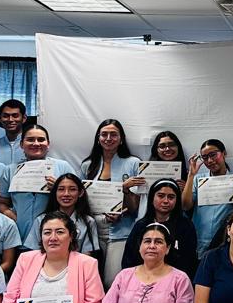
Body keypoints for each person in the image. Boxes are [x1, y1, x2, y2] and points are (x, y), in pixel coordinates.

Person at [80, 119, 142, 286]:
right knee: (90, 280)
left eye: (113, 134)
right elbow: (80, 199)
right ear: (98, 138)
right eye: (104, 134)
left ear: (121, 139)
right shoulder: (87, 165)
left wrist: (126, 190)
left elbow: (137, 206)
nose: (108, 138)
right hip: (92, 229)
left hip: (121, 230)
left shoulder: (133, 163)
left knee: (112, 280)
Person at [7, 124, 78, 242]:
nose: (36, 143)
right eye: (30, 140)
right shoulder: (10, 170)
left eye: (41, 140)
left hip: (54, 238)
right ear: (21, 144)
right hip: (18, 235)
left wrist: (58, 188)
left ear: (48, 144)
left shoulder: (63, 167)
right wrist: (12, 216)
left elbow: (78, 197)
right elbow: (1, 202)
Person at [121, 179, 197, 277]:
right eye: (161, 196)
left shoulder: (185, 226)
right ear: (152, 198)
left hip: (175, 280)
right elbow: (129, 259)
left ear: (177, 200)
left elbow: (189, 262)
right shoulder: (141, 226)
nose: (166, 201)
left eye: (171, 197)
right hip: (141, 278)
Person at [184, 139, 233, 257]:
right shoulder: (198, 180)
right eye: (205, 157)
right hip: (199, 239)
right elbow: (185, 206)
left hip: (225, 241)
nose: (210, 160)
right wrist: (191, 175)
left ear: (224, 153)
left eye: (213, 155)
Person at [22, 174, 102, 257]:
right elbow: (35, 253)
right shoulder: (41, 220)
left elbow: (86, 256)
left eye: (72, 189)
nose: (66, 194)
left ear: (80, 193)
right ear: (55, 192)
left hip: (76, 264)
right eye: (61, 189)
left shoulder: (88, 221)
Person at [0, 99, 27, 165]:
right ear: (0, 118)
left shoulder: (31, 145)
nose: (10, 120)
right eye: (5, 116)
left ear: (24, 118)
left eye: (15, 116)